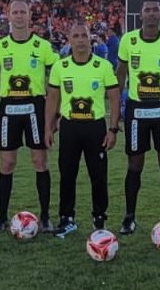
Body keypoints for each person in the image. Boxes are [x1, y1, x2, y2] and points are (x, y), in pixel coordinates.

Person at [0, 0, 60, 231]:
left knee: (39, 161)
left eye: (22, 12)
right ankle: (2, 217)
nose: (18, 16)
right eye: (14, 12)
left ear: (29, 16)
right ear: (8, 16)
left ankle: (45, 216)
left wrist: (54, 117)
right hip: (8, 109)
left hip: (35, 107)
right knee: (7, 163)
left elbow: (56, 82)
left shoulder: (43, 46)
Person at [115, 0, 160, 234]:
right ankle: (129, 216)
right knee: (135, 163)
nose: (152, 14)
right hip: (137, 110)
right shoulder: (129, 40)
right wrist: (117, 111)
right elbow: (120, 76)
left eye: (156, 10)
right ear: (141, 14)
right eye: (148, 10)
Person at [44, 22, 121, 235]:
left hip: (95, 127)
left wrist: (113, 129)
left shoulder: (103, 66)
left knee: (98, 175)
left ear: (90, 39)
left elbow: (114, 99)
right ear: (69, 40)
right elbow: (52, 99)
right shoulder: (61, 66)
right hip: (69, 127)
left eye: (83, 36)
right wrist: (48, 128)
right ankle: (67, 218)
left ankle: (99, 218)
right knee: (67, 174)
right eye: (75, 36)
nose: (80, 40)